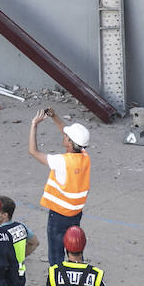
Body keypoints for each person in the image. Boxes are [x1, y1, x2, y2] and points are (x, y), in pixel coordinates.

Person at [28, 108, 92, 268]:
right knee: (74, 247)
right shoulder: (85, 157)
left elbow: (33, 151)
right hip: (75, 213)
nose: (63, 136)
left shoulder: (62, 161)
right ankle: (78, 276)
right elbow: (66, 130)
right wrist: (55, 116)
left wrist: (34, 125)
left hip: (58, 215)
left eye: (66, 137)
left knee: (56, 255)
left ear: (70, 143)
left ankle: (57, 285)